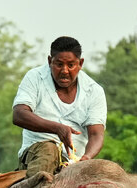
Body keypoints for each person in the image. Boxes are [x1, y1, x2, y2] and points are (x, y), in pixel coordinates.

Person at [12, 36, 106, 177]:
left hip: (74, 161)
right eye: (59, 64)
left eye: (71, 65)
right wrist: (57, 128)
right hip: (36, 152)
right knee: (49, 150)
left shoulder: (94, 91)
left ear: (80, 63)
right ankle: (33, 187)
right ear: (50, 61)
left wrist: (86, 158)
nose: (64, 70)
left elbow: (96, 134)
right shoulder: (35, 77)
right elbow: (19, 114)